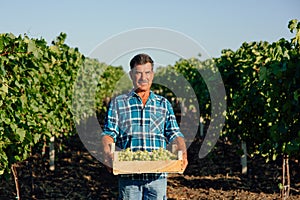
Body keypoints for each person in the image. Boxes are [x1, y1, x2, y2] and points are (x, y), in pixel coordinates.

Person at [101, 53, 188, 200]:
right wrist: (106, 152)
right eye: (138, 73)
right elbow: (109, 133)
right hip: (129, 177)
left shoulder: (163, 104)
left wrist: (182, 150)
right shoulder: (119, 103)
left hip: (157, 177)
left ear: (152, 75)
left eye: (147, 72)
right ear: (131, 75)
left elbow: (174, 133)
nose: (143, 77)